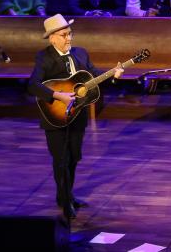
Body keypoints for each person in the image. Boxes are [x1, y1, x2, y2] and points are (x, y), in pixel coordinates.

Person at [28, 14, 123, 223]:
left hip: (76, 115)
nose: (69, 38)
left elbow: (93, 75)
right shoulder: (44, 57)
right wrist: (57, 95)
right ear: (52, 38)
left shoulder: (80, 53)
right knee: (60, 159)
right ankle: (64, 199)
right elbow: (33, 84)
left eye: (70, 34)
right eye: (63, 35)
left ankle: (67, 194)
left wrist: (112, 75)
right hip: (54, 116)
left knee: (74, 157)